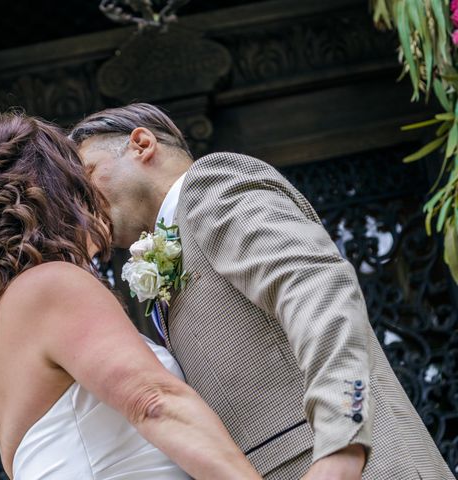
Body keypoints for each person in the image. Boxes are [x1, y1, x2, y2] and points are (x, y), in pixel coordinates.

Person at [70, 103, 454, 479]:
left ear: (141, 144)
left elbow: (318, 291)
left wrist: (343, 442)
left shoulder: (210, 184)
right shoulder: (174, 240)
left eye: (87, 176)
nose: (83, 207)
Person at [0, 111, 263, 480]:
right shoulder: (51, 286)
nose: (96, 202)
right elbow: (154, 402)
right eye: (80, 182)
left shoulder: (0, 333)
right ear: (53, 192)